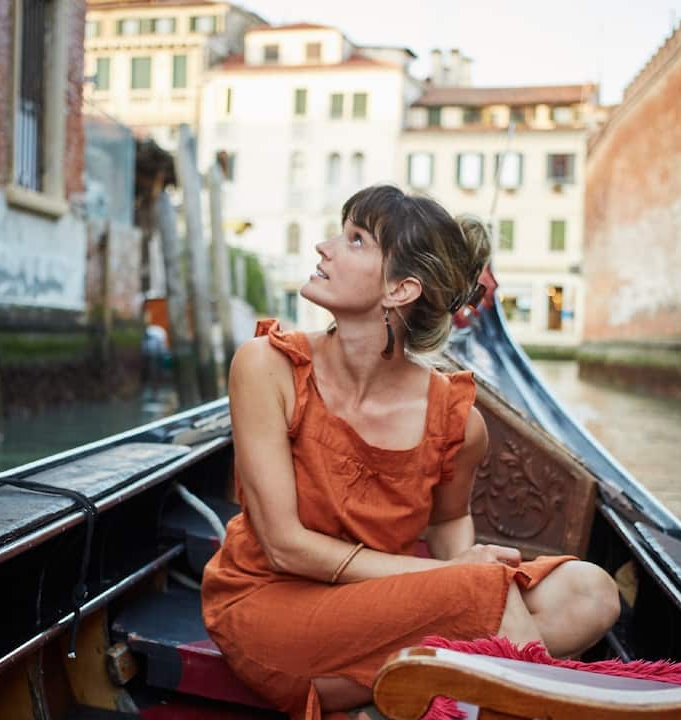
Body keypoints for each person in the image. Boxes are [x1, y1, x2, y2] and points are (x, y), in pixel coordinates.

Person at [201, 185, 620, 719]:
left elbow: (449, 525)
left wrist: (461, 577)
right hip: (271, 606)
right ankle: (491, 696)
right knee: (477, 590)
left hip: (378, 612)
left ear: (400, 289)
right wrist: (458, 582)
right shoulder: (267, 367)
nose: (324, 248)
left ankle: (426, 691)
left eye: (354, 240)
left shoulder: (456, 422)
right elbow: (286, 547)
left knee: (591, 592)